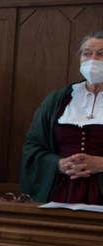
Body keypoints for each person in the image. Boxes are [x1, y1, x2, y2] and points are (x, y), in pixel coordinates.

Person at [21, 31, 103, 204]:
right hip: (59, 191)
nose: (92, 59)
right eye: (87, 53)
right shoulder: (58, 100)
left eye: (101, 54)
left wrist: (101, 164)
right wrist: (58, 164)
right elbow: (33, 146)